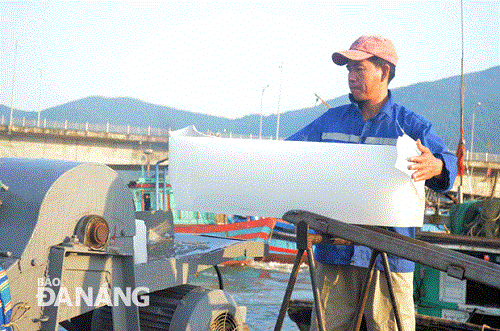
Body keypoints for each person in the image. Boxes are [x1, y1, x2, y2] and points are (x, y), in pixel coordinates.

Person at [286, 35, 457, 331]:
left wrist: (437, 165)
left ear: (384, 72)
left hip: (390, 258)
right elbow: (286, 154)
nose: (351, 78)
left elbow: (447, 166)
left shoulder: (412, 125)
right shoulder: (330, 122)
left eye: (360, 70)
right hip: (334, 254)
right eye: (349, 71)